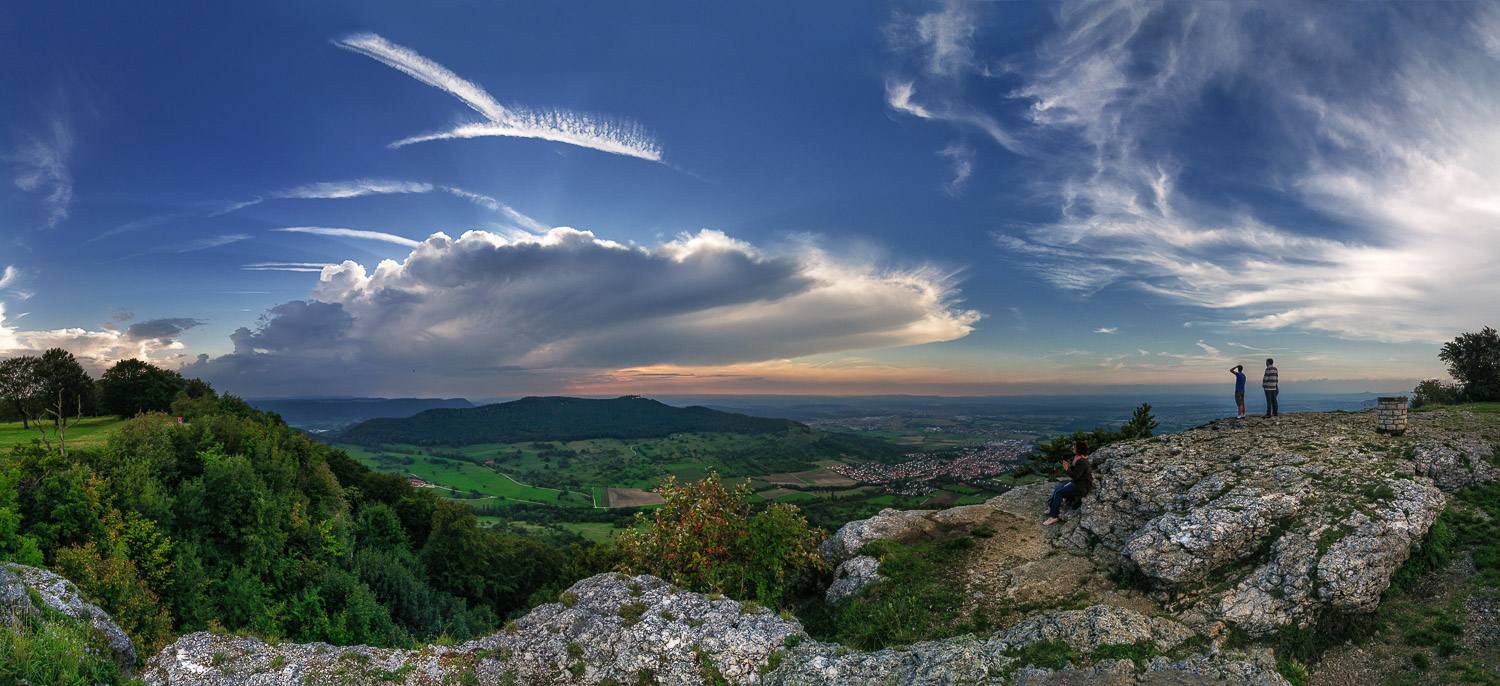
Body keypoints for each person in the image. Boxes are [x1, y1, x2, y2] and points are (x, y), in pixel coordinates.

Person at [1043, 440, 1093, 525]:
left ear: (1079, 450)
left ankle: (1054, 516)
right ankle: (1052, 509)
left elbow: (1075, 475)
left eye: (1075, 447)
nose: (1074, 448)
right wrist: (1069, 467)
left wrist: (1067, 468)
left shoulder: (1082, 462)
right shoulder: (1080, 459)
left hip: (1081, 486)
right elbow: (1078, 472)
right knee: (1057, 487)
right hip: (1078, 482)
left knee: (1059, 493)